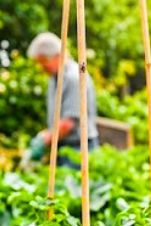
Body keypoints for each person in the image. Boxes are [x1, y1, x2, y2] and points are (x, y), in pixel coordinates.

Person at [26, 31, 99, 167]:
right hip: (65, 147)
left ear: (57, 56)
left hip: (79, 148)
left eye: (43, 62)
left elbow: (68, 123)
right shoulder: (55, 78)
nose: (41, 67)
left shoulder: (74, 78)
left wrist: (45, 141)